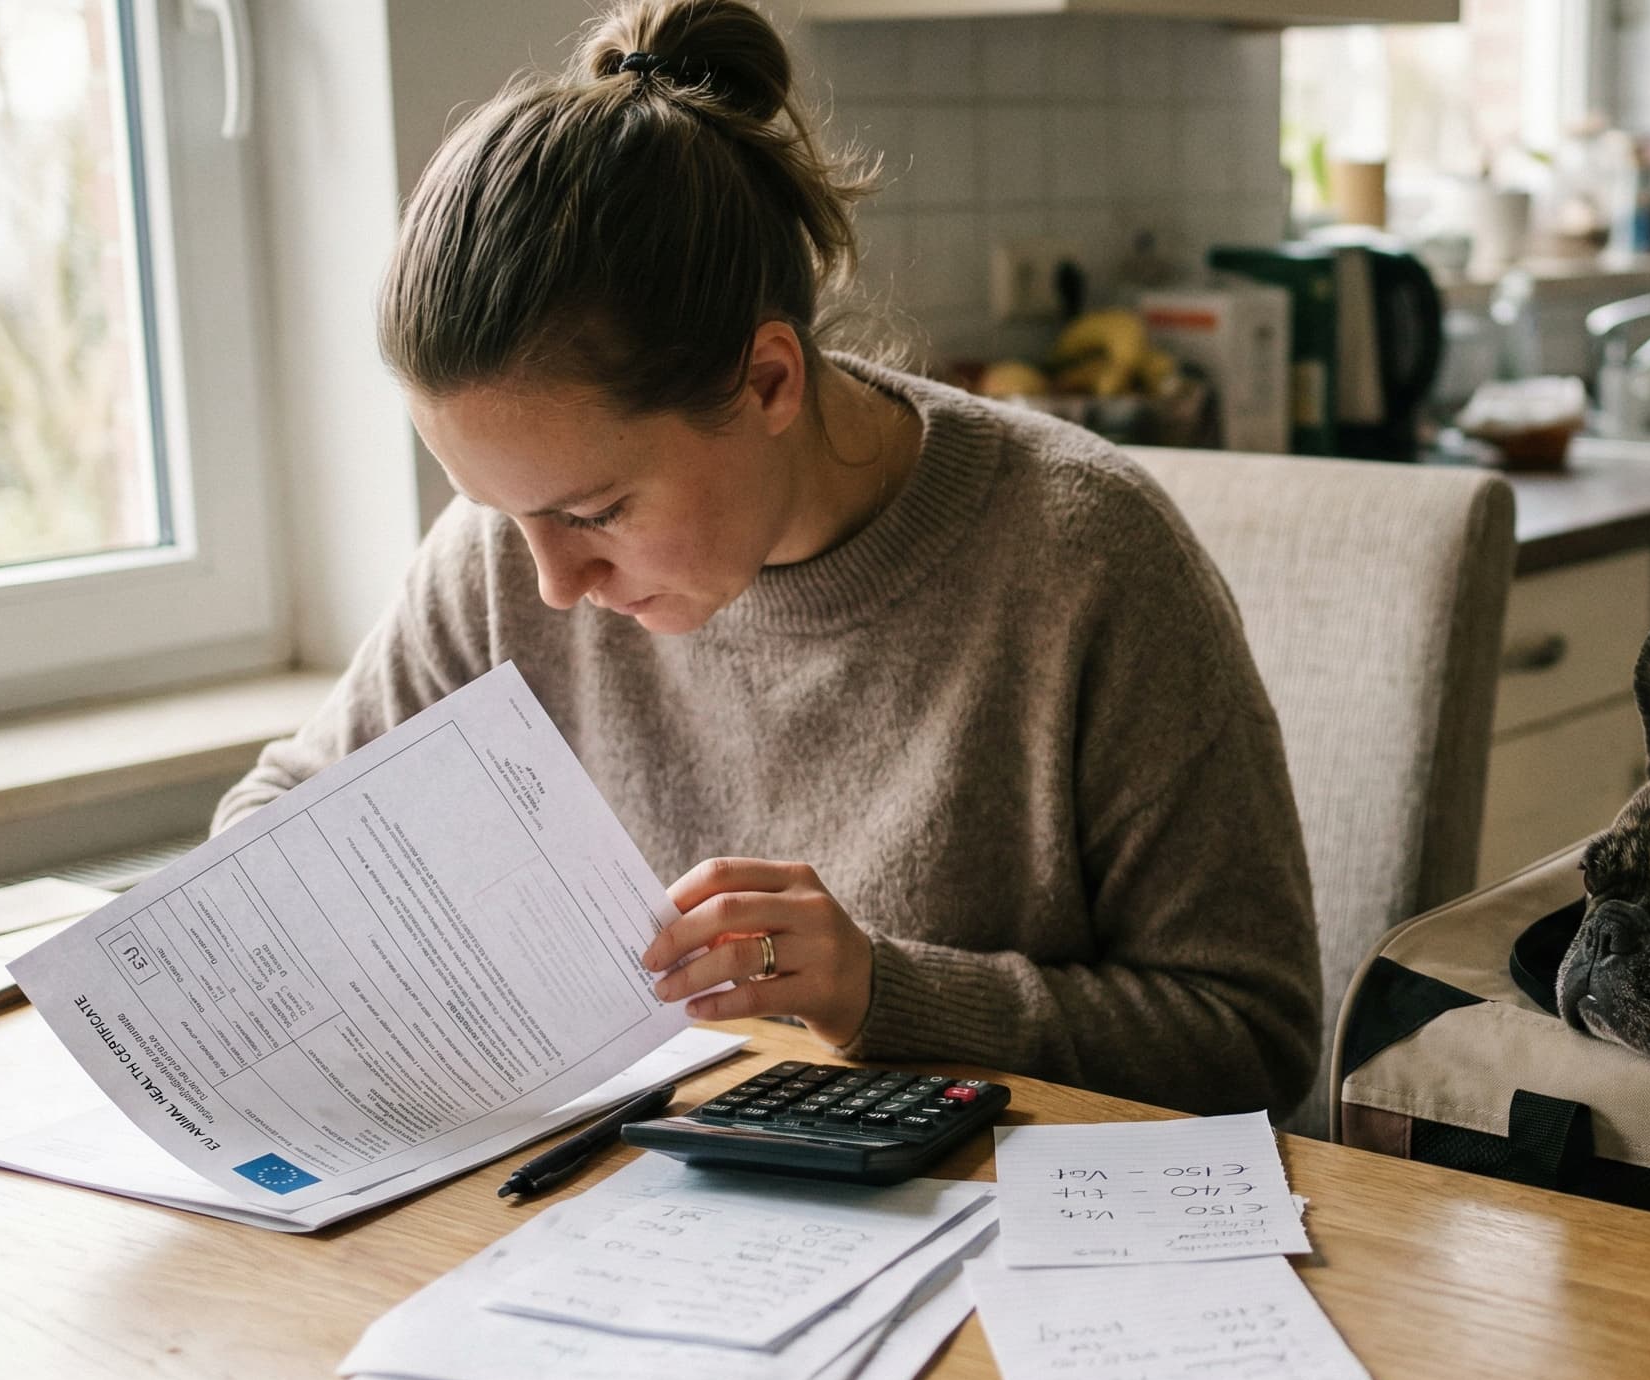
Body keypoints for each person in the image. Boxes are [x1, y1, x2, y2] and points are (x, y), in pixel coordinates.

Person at [214, 0, 1321, 1115]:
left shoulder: (1088, 560)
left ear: (770, 384)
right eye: (502, 515)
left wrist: (881, 990)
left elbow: (1252, 1043)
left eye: (596, 512)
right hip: (623, 1218)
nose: (552, 585)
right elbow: (271, 826)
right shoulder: (496, 563)